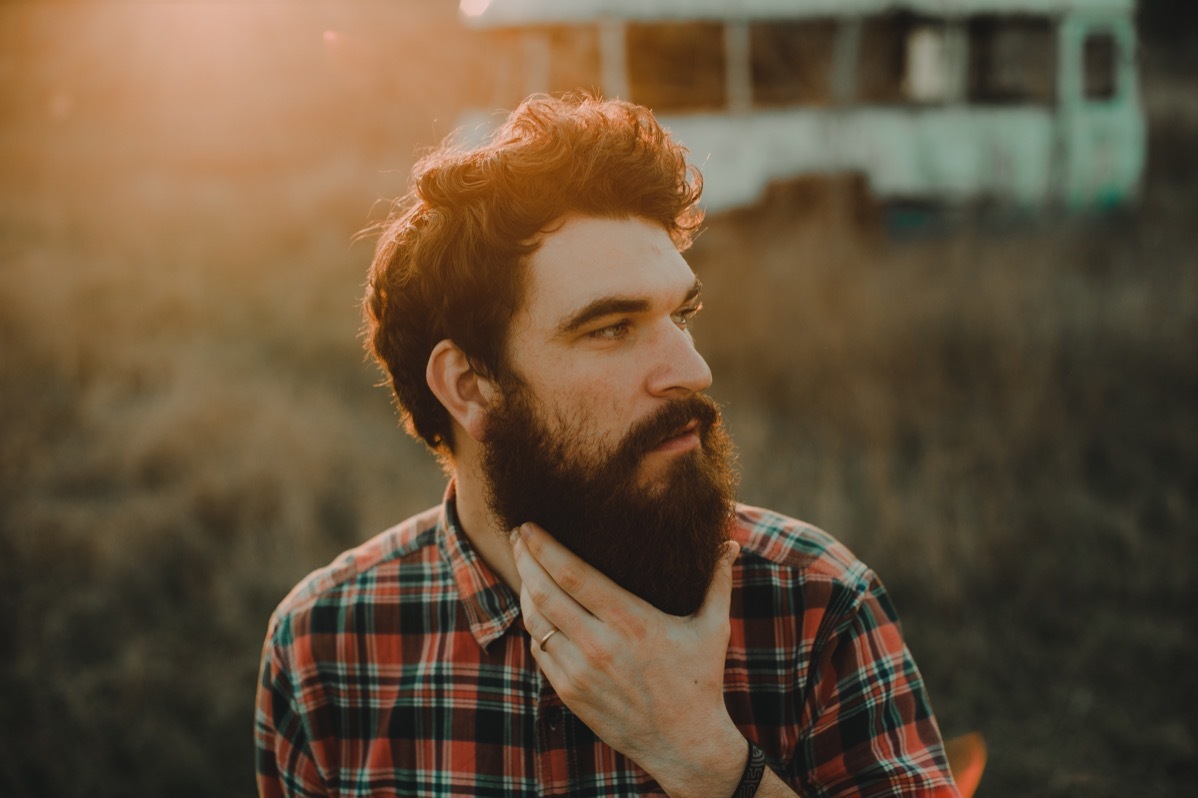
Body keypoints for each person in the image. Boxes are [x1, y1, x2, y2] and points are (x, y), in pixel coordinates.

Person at [255, 94, 960, 798]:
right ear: (470, 387)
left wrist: (702, 757)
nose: (693, 371)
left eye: (680, 315)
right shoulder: (327, 650)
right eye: (612, 328)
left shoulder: (812, 608)